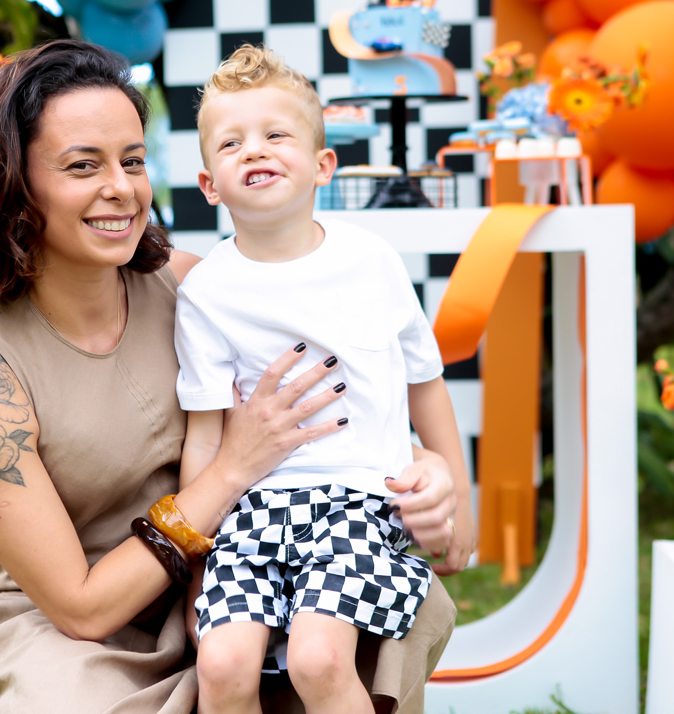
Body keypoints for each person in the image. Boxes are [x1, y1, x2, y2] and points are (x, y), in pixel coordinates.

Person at [0, 39, 461, 713]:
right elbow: (83, 609)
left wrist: (428, 470)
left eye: (133, 160)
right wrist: (229, 472)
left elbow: (328, 415)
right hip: (81, 633)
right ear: (13, 186)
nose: (122, 188)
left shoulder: (194, 287)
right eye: (83, 165)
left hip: (232, 576)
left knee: (344, 632)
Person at [174, 46, 475, 714]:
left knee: (320, 658)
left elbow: (424, 381)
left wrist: (461, 495)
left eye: (276, 135)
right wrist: (198, 570)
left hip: (359, 504)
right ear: (209, 184)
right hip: (252, 514)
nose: (255, 150)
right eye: (231, 142)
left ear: (322, 165)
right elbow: (205, 437)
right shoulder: (206, 292)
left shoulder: (371, 261)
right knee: (220, 665)